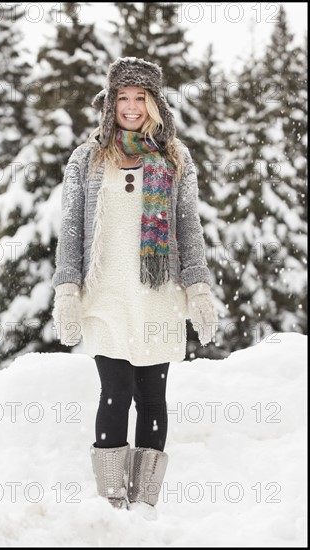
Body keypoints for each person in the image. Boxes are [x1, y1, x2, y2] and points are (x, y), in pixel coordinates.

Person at [52, 57, 218, 519]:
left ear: (154, 102)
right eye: (122, 97)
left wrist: (198, 287)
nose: (130, 106)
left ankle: (144, 503)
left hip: (157, 295)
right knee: (115, 390)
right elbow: (70, 230)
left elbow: (188, 229)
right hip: (105, 295)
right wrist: (67, 290)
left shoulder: (175, 158)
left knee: (152, 395)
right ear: (110, 103)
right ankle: (111, 501)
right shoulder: (86, 159)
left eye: (139, 97)